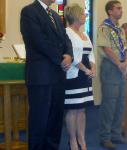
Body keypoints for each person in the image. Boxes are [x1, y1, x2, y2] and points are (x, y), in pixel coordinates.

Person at [20, 0, 73, 150]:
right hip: (41, 77)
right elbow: (38, 41)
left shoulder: (55, 15)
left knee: (55, 120)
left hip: (58, 76)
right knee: (40, 120)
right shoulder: (29, 12)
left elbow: (66, 39)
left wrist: (69, 55)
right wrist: (60, 59)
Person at [96, 1, 127, 149]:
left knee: (120, 103)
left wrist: (126, 63)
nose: (121, 10)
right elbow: (106, 49)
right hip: (111, 67)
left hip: (121, 67)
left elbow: (126, 48)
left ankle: (116, 134)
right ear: (110, 11)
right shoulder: (104, 28)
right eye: (118, 8)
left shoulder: (120, 30)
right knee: (109, 104)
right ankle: (105, 137)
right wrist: (119, 64)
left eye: (121, 8)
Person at [64, 3, 96, 150]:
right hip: (74, 75)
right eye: (83, 13)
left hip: (86, 76)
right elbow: (72, 57)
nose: (85, 15)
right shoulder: (67, 32)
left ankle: (82, 140)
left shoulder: (85, 34)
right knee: (73, 109)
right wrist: (85, 70)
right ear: (76, 16)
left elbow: (91, 54)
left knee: (82, 109)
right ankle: (72, 141)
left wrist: (93, 68)